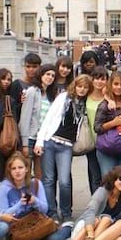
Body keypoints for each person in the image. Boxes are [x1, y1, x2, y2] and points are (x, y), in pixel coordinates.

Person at [35, 75, 92, 224]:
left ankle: (66, 212)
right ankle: (52, 212)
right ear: (75, 85)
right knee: (48, 179)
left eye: (85, 87)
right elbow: (49, 118)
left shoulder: (86, 103)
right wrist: (40, 141)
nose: (82, 89)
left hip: (66, 146)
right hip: (50, 141)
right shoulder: (64, 98)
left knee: (65, 181)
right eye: (80, 86)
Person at [55, 165, 121, 240]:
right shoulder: (102, 191)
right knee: (100, 219)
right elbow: (90, 212)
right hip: (86, 228)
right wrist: (90, 235)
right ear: (114, 177)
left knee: (107, 220)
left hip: (101, 232)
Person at [0, 152, 64, 240]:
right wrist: (19, 204)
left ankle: (67, 228)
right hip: (21, 227)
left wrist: (34, 201)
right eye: (14, 169)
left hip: (38, 221)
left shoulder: (36, 183)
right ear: (9, 171)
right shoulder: (4, 187)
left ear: (26, 169)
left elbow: (45, 209)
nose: (17, 171)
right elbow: (2, 214)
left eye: (20, 167)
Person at [19, 64, 58, 179]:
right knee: (26, 172)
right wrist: (25, 143)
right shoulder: (32, 91)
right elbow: (25, 117)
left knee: (40, 173)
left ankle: (38, 195)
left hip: (44, 139)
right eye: (47, 74)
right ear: (41, 75)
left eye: (52, 75)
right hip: (31, 137)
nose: (50, 77)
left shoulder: (52, 95)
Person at [94, 72, 121, 175]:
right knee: (109, 181)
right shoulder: (104, 105)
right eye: (116, 84)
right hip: (107, 150)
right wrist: (113, 123)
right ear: (111, 85)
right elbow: (97, 127)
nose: (119, 87)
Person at [85, 66, 108, 193]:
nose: (99, 82)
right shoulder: (86, 96)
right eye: (96, 78)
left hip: (105, 141)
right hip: (90, 142)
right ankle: (95, 206)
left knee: (105, 175)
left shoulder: (108, 98)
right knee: (94, 175)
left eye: (103, 79)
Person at [10, 52, 42, 121]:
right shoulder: (16, 85)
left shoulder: (41, 85)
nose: (31, 69)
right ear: (24, 67)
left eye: (34, 67)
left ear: (39, 67)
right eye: (28, 66)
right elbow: (12, 108)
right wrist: (21, 103)